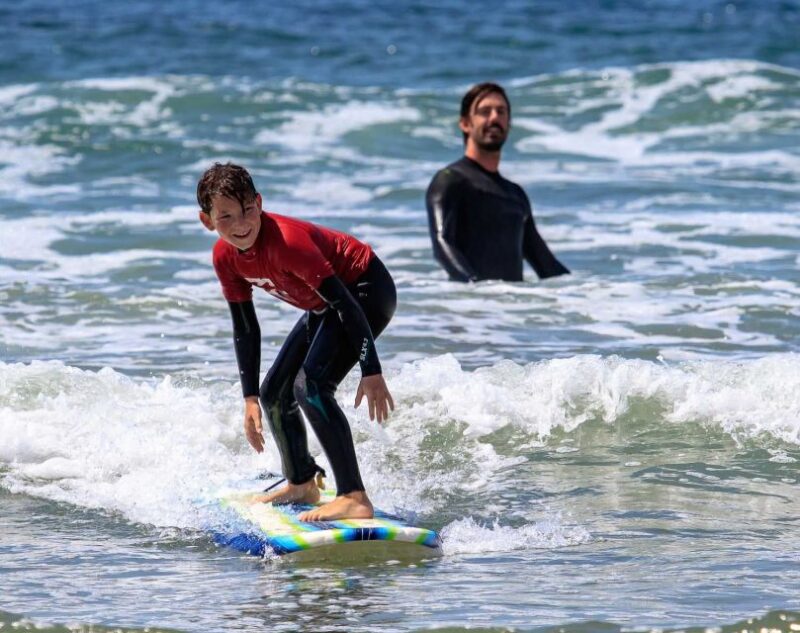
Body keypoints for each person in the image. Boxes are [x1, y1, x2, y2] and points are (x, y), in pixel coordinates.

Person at [197, 162, 396, 522]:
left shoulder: (288, 243)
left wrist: (372, 368)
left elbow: (347, 305)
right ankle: (302, 481)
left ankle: (354, 496)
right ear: (207, 220)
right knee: (275, 391)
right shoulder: (225, 258)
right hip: (327, 304)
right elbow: (245, 326)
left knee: (312, 386)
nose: (241, 225)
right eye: (226, 217)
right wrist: (249, 397)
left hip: (365, 292)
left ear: (259, 202)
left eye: (247, 211)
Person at [426, 82, 570, 282]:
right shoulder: (450, 180)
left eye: (501, 112)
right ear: (465, 123)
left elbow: (546, 264)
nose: (495, 117)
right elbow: (443, 246)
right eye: (485, 111)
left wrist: (588, 295)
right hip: (467, 309)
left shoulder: (515, 194)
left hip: (509, 310)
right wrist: (478, 289)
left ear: (509, 124)